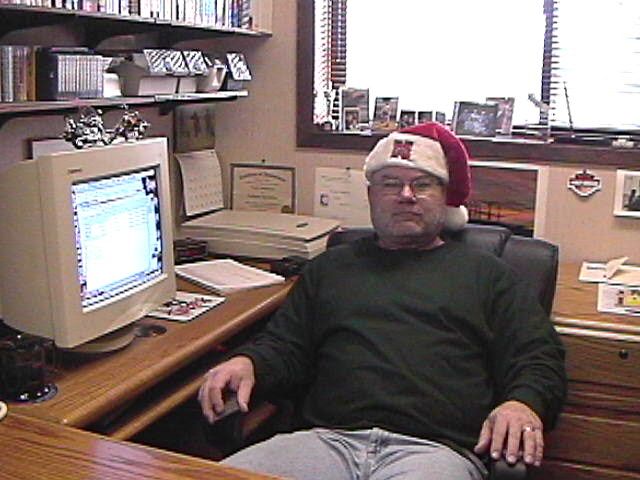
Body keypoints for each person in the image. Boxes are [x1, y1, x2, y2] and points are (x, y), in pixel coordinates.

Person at [198, 122, 567, 480]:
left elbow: (538, 357)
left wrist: (523, 403)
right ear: (371, 194)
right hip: (324, 442)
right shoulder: (330, 268)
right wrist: (250, 362)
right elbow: (285, 346)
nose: (406, 195)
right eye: (391, 183)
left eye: (422, 184)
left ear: (444, 196)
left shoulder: (489, 275)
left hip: (433, 453)